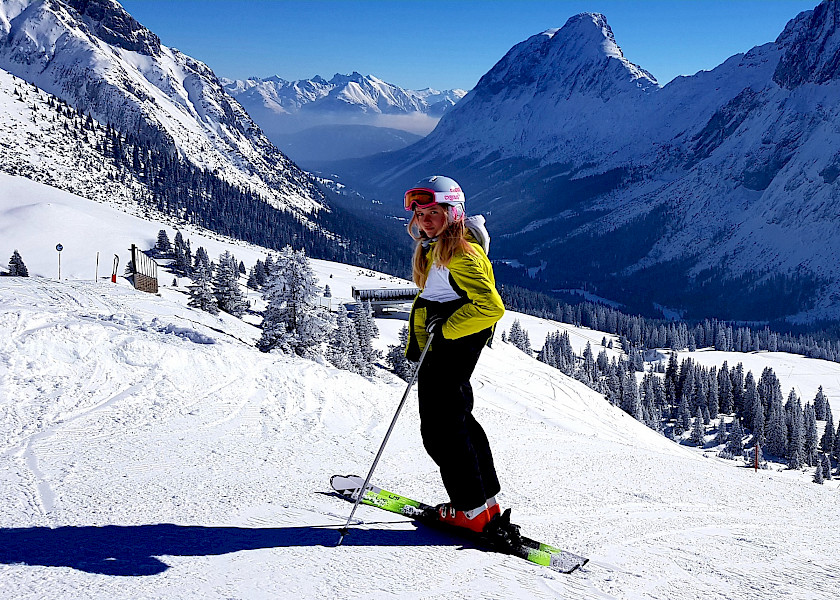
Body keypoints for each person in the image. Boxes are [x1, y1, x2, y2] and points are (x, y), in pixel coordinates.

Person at [403, 175, 506, 533]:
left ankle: (470, 509)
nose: (425, 220)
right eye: (420, 213)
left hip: (451, 344)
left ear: (454, 212)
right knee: (457, 420)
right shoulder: (438, 246)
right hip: (448, 343)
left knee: (440, 429)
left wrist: (446, 327)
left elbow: (491, 307)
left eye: (433, 212)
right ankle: (484, 503)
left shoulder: (460, 253)